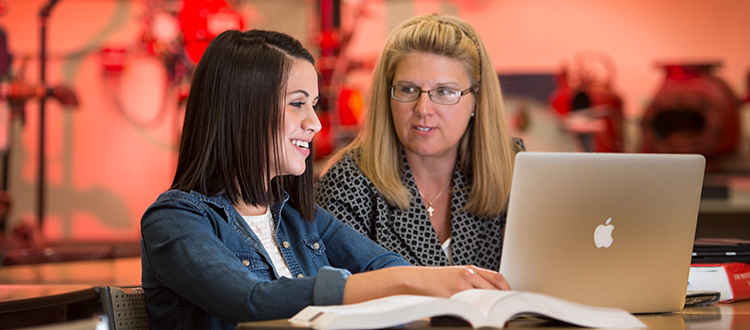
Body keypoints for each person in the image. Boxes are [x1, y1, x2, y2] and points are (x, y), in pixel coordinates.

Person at [140, 29, 510, 329]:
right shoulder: (174, 221)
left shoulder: (299, 219)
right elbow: (250, 301)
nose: (314, 124)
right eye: (298, 103)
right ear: (244, 108)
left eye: (314, 105)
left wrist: (416, 280)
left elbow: (384, 266)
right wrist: (412, 281)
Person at [315, 14, 523, 270]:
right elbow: (341, 294)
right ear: (387, 95)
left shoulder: (514, 168)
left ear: (476, 100)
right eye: (407, 89)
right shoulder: (348, 184)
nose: (423, 109)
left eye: (444, 92)